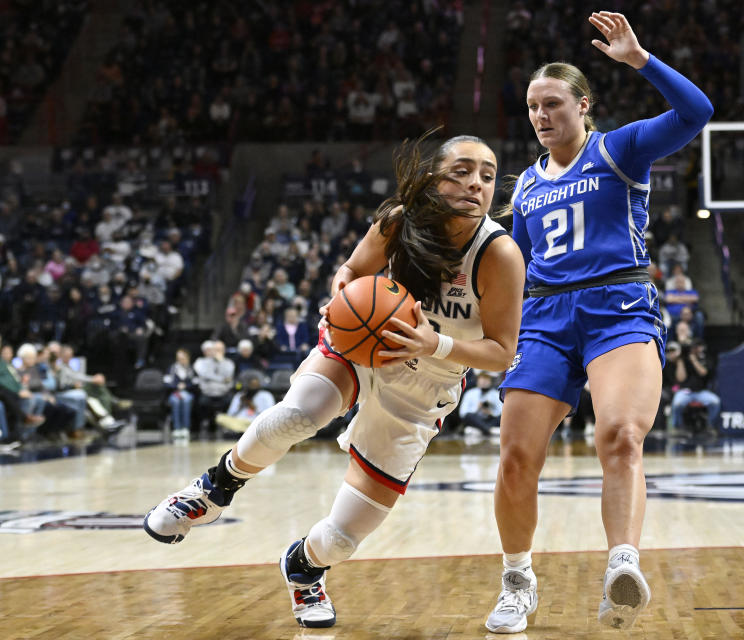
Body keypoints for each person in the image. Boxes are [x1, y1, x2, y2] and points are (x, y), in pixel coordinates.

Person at [143, 133, 525, 630]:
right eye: (462, 171)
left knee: (343, 538)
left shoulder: (499, 254)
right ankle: (214, 489)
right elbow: (350, 270)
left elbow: (502, 352)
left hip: (424, 387)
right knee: (299, 414)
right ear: (434, 179)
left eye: (488, 175)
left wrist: (436, 344)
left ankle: (303, 568)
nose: (476, 183)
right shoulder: (399, 220)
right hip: (365, 349)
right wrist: (341, 293)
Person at [487, 11, 712, 633]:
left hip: (618, 306)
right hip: (546, 318)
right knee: (515, 457)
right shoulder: (526, 187)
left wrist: (640, 59)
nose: (540, 116)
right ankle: (517, 580)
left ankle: (622, 564)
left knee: (619, 435)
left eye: (553, 103)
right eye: (533, 106)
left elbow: (696, 113)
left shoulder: (618, 148)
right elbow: (518, 270)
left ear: (582, 105)